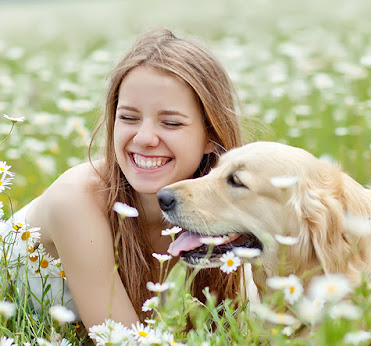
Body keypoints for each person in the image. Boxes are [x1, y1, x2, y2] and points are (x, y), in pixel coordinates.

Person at [1, 28, 243, 330]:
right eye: (128, 117)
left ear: (211, 135)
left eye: (170, 122)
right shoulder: (75, 200)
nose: (144, 138)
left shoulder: (225, 207)